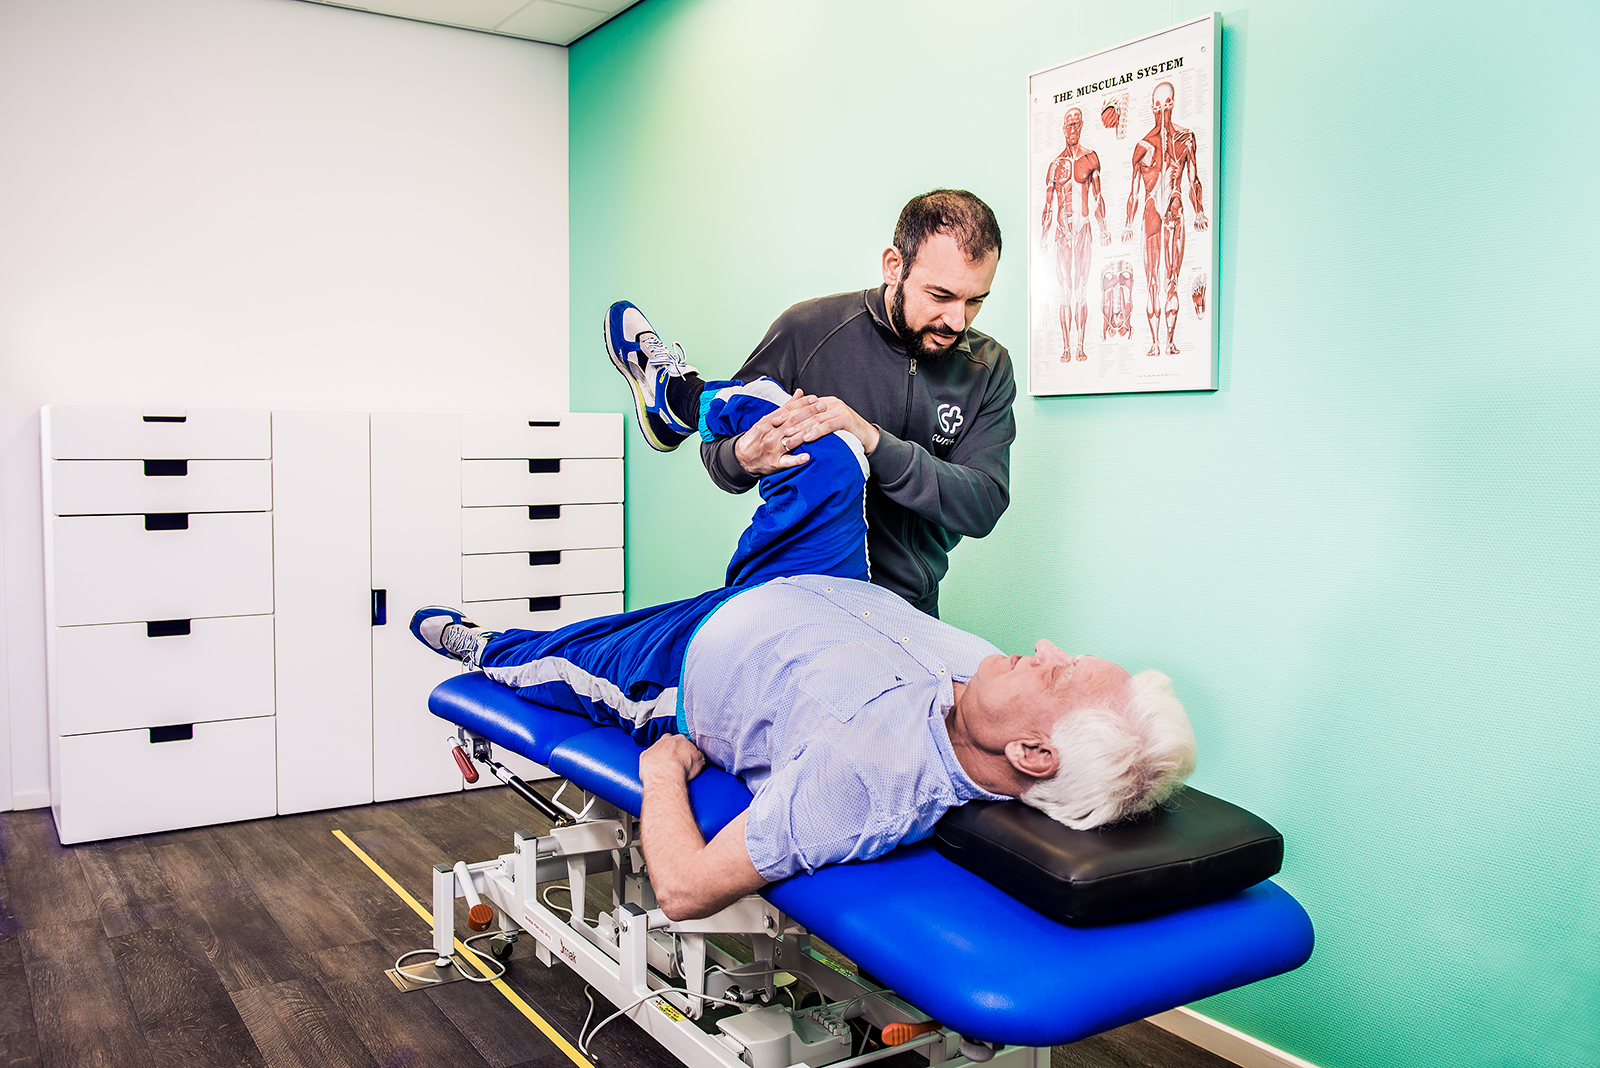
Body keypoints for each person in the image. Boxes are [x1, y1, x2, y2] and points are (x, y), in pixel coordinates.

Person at [412, 381, 1196, 921]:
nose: (1045, 647)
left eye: (1059, 672)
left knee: (549, 659)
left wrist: (662, 774)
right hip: (817, 575)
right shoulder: (993, 694)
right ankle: (688, 396)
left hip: (685, 660)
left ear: (1031, 754)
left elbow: (685, 890)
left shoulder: (868, 780)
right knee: (828, 443)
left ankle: (485, 648)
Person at [603, 189, 1016, 618]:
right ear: (894, 266)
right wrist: (745, 456)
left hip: (909, 610)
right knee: (798, 429)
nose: (957, 321)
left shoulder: (987, 367)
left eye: (975, 301)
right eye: (941, 296)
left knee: (841, 447)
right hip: (797, 593)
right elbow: (718, 456)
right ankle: (683, 401)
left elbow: (983, 504)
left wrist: (874, 442)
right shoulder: (808, 330)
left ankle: (682, 397)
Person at [1122, 81, 1208, 357]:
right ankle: (1154, 343)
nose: (1162, 112)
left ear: (1173, 104)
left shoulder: (1186, 139)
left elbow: (1193, 179)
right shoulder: (1142, 146)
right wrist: (1127, 224)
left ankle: (1169, 342)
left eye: (1167, 105)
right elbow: (1134, 190)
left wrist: (1199, 211)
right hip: (1151, 215)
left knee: (1172, 279)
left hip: (1174, 211)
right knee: (1151, 283)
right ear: (1152, 107)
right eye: (1158, 106)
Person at [1040, 108, 1109, 362]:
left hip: (1083, 231)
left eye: (1076, 124)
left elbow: (1098, 196)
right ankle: (1066, 347)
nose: (1072, 129)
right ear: (1063, 128)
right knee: (1064, 292)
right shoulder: (1055, 165)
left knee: (1081, 290)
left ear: (1081, 126)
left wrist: (1104, 228)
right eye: (1068, 125)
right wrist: (1042, 237)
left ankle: (1080, 346)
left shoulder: (1090, 158)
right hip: (1061, 233)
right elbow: (1048, 205)